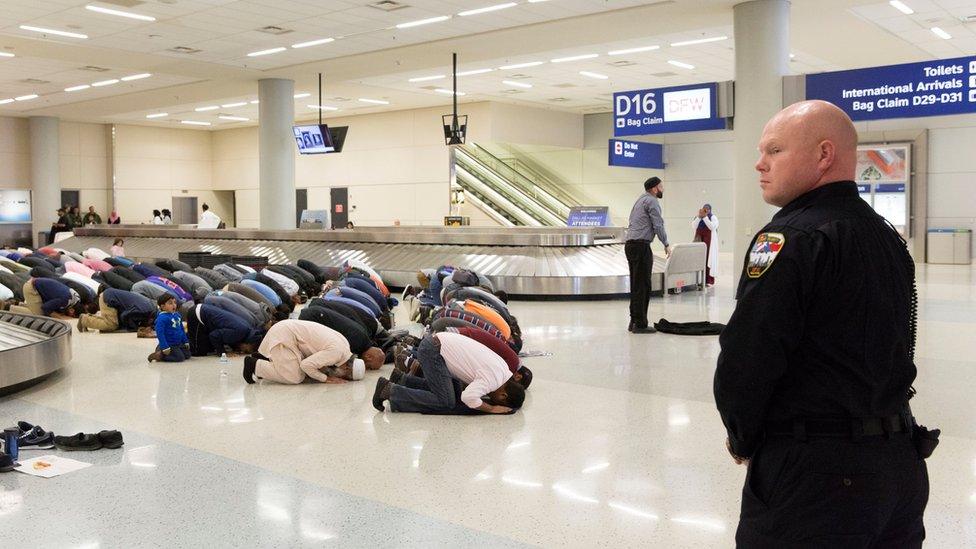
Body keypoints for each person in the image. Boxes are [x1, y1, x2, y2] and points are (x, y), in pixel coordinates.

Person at [713, 100, 933, 546]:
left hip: (818, 478)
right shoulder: (886, 236)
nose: (759, 163)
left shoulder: (790, 238)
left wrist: (742, 437)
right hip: (899, 467)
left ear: (824, 155)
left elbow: (748, 358)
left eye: (774, 150)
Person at [373, 332, 524, 415]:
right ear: (503, 395)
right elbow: (468, 398)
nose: (491, 400)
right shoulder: (492, 380)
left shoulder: (503, 369)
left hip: (438, 342)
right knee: (446, 401)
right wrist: (491, 409)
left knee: (451, 390)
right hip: (433, 350)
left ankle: (402, 380)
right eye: (498, 401)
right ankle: (389, 390)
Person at [241, 319, 365, 385]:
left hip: (288, 331)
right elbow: (306, 365)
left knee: (302, 373)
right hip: (284, 334)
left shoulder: (345, 346)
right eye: (345, 375)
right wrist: (325, 378)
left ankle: (268, 360)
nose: (341, 376)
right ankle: (254, 365)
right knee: (295, 377)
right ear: (347, 369)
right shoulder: (336, 353)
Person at [624, 177, 670, 334]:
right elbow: (658, 224)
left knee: (636, 284)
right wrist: (666, 243)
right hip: (640, 246)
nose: (663, 188)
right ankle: (640, 324)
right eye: (661, 186)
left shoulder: (639, 200)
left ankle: (633, 321)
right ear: (655, 189)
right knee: (643, 285)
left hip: (631, 245)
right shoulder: (652, 201)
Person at [78, 288, 155, 333]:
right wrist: (133, 328)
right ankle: (85, 320)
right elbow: (124, 315)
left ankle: (88, 318)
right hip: (109, 299)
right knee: (111, 325)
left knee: (113, 322)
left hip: (110, 295)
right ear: (151, 319)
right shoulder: (145, 310)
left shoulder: (150, 306)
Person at [149, 294, 191, 362]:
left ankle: (165, 351)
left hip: (178, 343)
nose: (174, 305)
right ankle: (160, 354)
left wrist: (185, 341)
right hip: (169, 344)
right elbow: (160, 334)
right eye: (170, 303)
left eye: (175, 302)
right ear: (163, 306)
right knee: (179, 358)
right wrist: (165, 346)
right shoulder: (162, 318)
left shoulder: (177, 315)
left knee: (188, 355)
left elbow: (181, 329)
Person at [692, 204, 720, 286]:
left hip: (709, 241)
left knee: (708, 259)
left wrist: (705, 217)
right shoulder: (698, 217)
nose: (706, 211)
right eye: (704, 209)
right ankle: (698, 280)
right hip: (699, 239)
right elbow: (694, 226)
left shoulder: (713, 217)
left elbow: (712, 227)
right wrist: (699, 217)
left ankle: (708, 280)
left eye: (707, 210)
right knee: (698, 258)